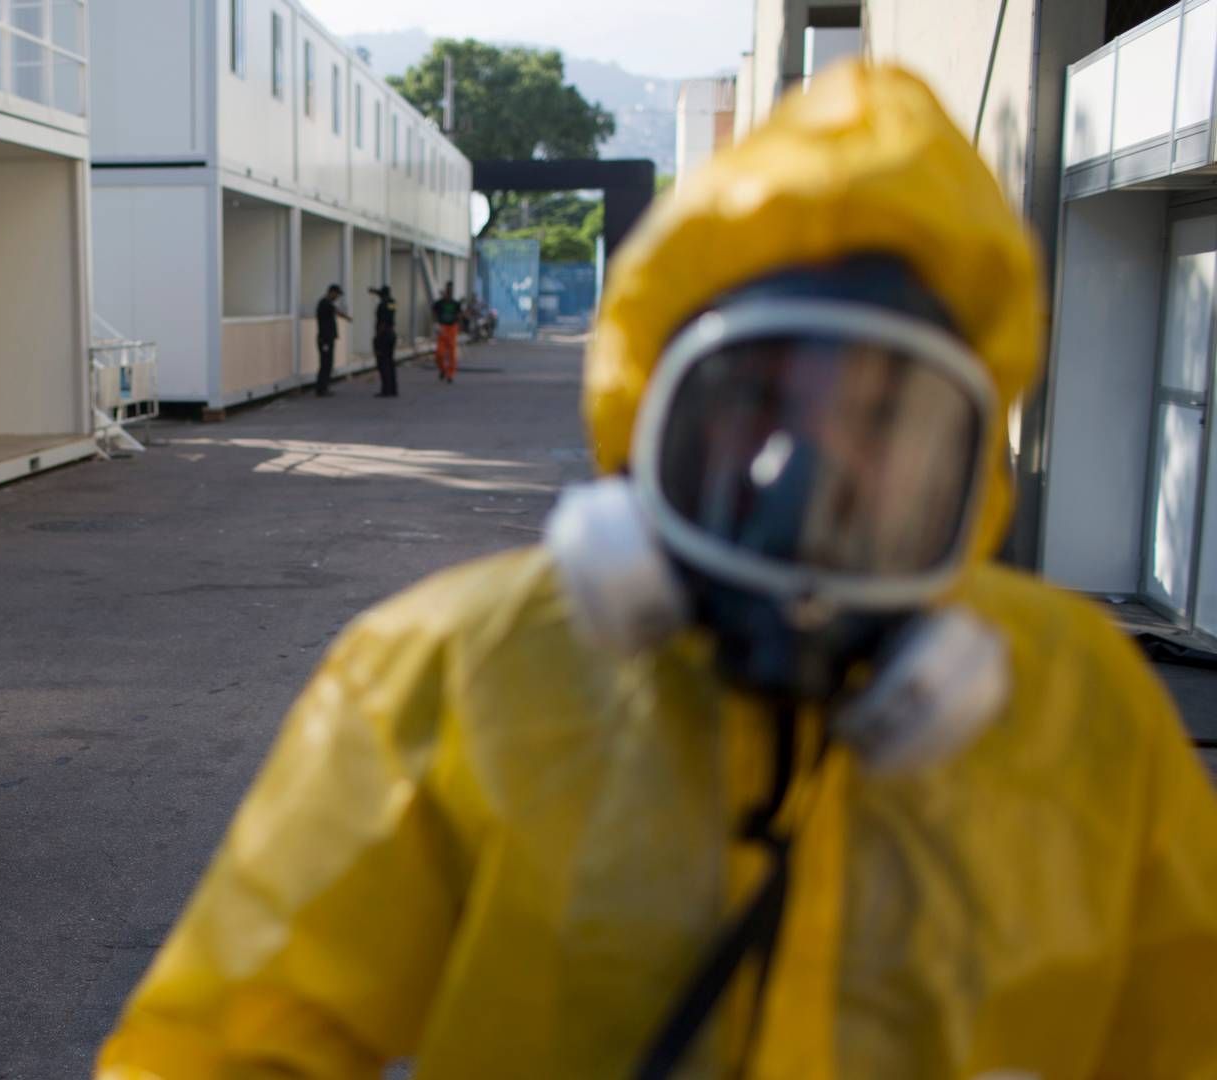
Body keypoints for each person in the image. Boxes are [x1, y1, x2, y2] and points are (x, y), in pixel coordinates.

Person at [96, 64, 1217, 1077]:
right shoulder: (453, 678)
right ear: (657, 413)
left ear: (968, 458)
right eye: (759, 403)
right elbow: (221, 1052)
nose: (806, 476)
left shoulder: (1083, 713)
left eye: (884, 416)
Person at [313, 284, 350, 397]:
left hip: (328, 339)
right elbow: (337, 312)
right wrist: (347, 317)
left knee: (327, 363)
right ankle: (321, 389)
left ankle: (324, 388)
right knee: (325, 363)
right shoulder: (325, 303)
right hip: (325, 340)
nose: (337, 297)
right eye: (337, 294)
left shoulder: (327, 303)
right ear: (331, 292)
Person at [431, 280, 463, 383]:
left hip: (452, 328)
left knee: (452, 353)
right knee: (439, 354)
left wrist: (459, 325)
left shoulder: (456, 303)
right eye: (448, 290)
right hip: (442, 328)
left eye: (451, 290)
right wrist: (436, 323)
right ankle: (443, 370)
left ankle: (450, 374)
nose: (449, 292)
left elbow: (459, 315)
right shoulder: (439, 303)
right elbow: (434, 312)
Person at [369, 285, 398, 398]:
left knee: (383, 363)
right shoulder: (392, 302)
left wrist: (377, 337)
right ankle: (393, 389)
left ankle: (385, 390)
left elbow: (382, 322)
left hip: (384, 335)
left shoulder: (381, 305)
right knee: (390, 362)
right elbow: (385, 296)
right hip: (391, 334)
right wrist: (375, 291)